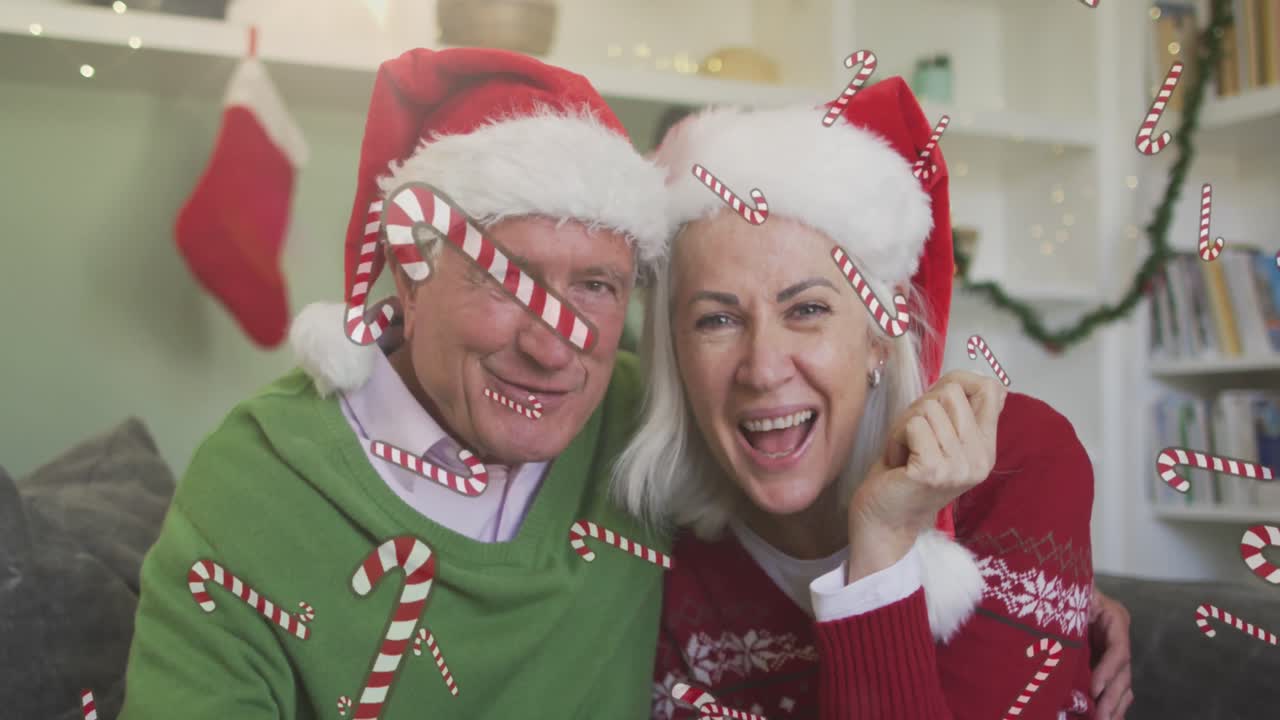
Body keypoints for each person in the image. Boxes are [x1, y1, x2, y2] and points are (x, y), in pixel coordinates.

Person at [119, 47, 673, 718]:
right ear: (410, 279)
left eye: (595, 287)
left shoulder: (650, 430)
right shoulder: (253, 483)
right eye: (502, 279)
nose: (551, 347)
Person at [614, 77, 1132, 719]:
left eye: (806, 309)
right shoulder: (660, 549)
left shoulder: (1019, 463)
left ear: (883, 338)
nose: (764, 368)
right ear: (674, 354)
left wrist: (882, 547)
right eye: (717, 320)